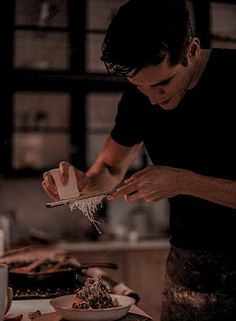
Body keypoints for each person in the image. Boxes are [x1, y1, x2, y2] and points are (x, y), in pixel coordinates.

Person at [42, 0, 236, 320]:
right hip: (187, 270)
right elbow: (109, 167)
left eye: (163, 83)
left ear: (191, 49)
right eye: (140, 86)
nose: (153, 98)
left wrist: (183, 182)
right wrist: (85, 184)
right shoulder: (141, 95)